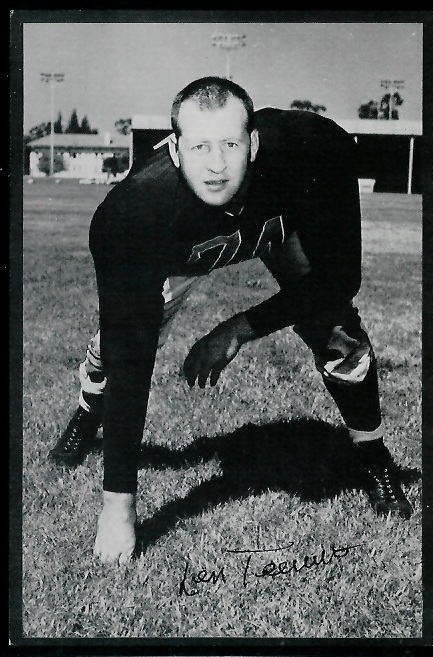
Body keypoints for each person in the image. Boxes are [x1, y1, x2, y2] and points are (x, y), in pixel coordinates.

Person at [48, 76, 412, 564]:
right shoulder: (134, 212)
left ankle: (372, 454)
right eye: (200, 146)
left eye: (231, 144)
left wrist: (238, 328)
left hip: (277, 229)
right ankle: (90, 411)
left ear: (254, 142)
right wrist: (119, 507)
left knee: (340, 332)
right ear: (174, 151)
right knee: (118, 351)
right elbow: (133, 354)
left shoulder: (315, 150)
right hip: (182, 249)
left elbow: (340, 278)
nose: (217, 164)